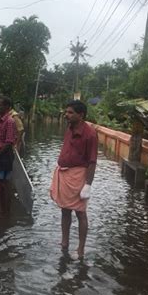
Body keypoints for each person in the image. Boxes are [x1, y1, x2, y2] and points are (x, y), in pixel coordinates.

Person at [50, 100, 97, 259]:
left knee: (80, 213)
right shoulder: (69, 128)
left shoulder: (90, 134)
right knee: (65, 210)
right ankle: (65, 242)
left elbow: (92, 161)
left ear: (81, 115)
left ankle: (81, 248)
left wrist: (88, 185)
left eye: (70, 112)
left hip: (78, 176)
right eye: (66, 112)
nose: (66, 115)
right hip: (65, 174)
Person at [0, 96, 17, 213]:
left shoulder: (10, 121)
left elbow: (9, 142)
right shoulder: (1, 120)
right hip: (0, 155)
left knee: (5, 184)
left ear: (7, 107)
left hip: (5, 157)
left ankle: (6, 212)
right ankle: (3, 210)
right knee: (1, 183)